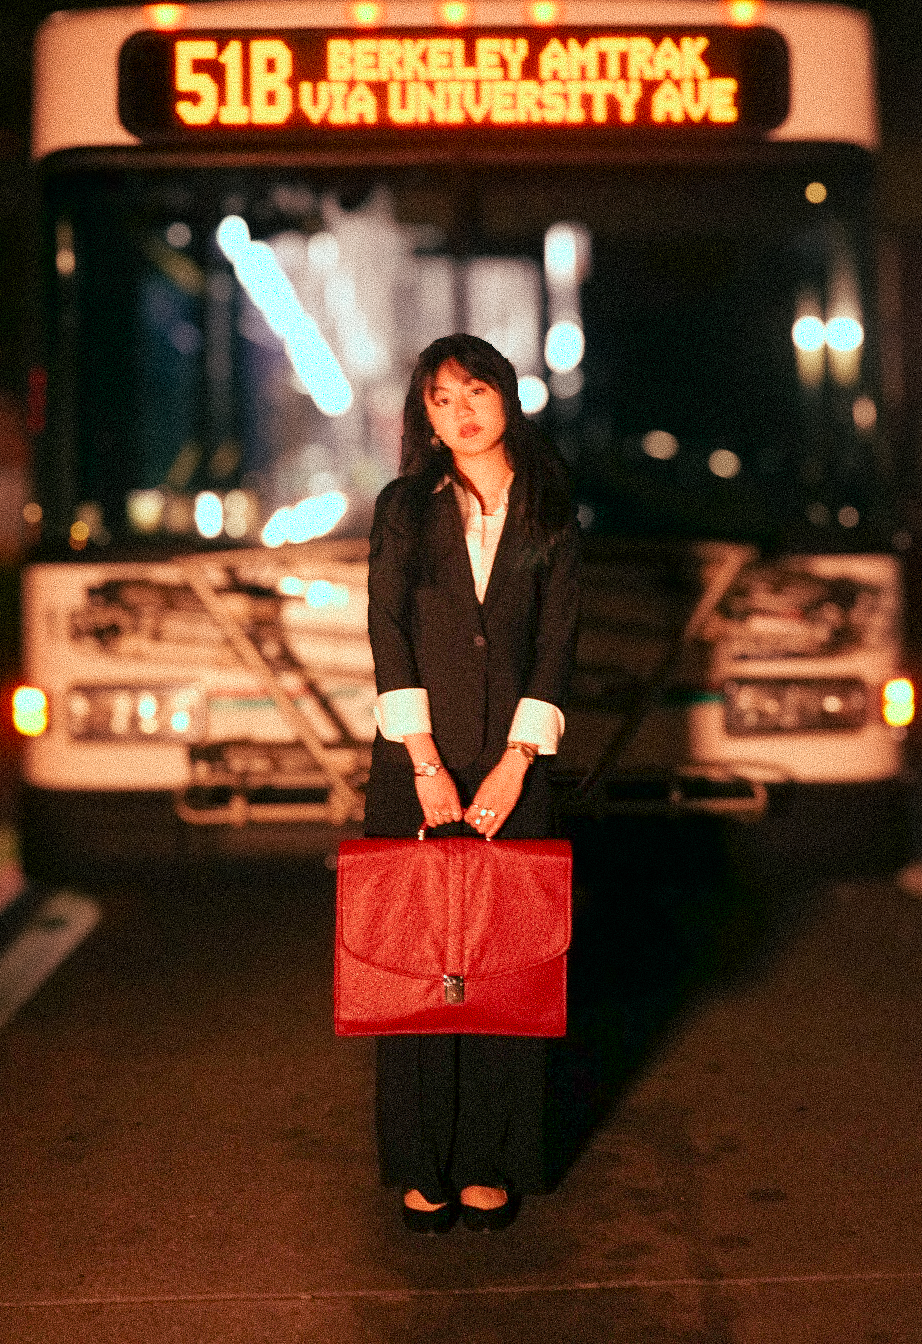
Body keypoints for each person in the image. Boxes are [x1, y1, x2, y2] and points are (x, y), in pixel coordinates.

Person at [364, 333, 580, 1233]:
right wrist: (423, 762)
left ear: (505, 398)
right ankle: (423, 1162)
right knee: (416, 963)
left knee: (506, 962)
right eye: (441, 397)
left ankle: (495, 1159)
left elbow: (557, 643)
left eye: (476, 390)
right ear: (426, 415)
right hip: (414, 766)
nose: (461, 410)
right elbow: (387, 631)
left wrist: (516, 761)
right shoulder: (405, 507)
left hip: (515, 767)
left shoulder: (550, 508)